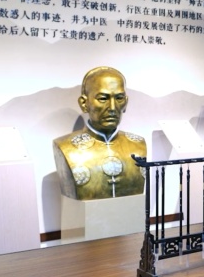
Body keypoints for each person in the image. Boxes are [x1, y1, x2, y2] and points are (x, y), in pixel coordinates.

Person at [53, 66, 147, 200]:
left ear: (126, 102)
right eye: (103, 98)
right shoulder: (65, 146)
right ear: (84, 103)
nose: (112, 108)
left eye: (119, 98)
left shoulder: (138, 144)